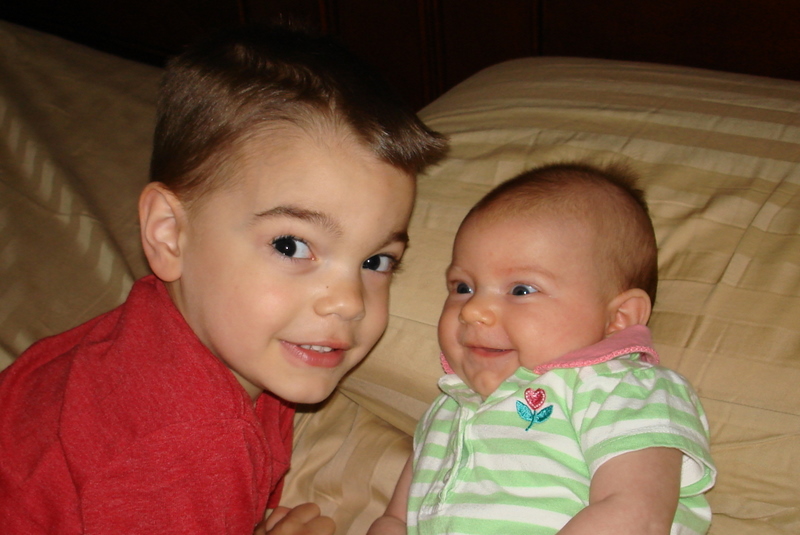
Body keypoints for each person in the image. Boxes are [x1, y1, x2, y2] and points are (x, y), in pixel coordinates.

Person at [0, 25, 447, 534]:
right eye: (291, 246)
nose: (348, 302)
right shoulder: (181, 448)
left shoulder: (218, 344)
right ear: (169, 234)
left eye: (377, 261)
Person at [369, 163, 716, 535]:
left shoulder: (626, 389)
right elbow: (397, 518)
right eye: (463, 287)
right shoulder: (449, 406)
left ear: (619, 317)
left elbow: (637, 515)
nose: (472, 310)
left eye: (521, 290)